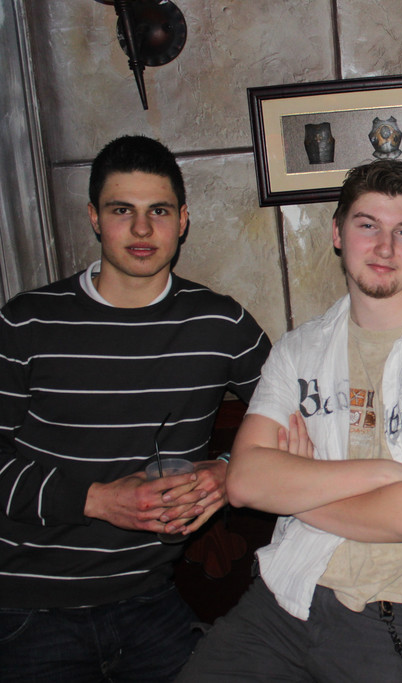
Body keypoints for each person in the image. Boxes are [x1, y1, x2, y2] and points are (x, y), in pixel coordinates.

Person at [179, 159, 402, 682]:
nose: (384, 247)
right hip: (287, 593)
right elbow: (243, 482)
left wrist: (297, 491)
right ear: (337, 233)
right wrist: (383, 473)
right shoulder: (297, 350)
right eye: (367, 225)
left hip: (401, 611)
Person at [0, 135, 271, 681]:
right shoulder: (28, 321)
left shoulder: (219, 324)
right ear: (95, 219)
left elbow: (301, 417)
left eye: (159, 211)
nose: (142, 230)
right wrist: (98, 500)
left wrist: (228, 473)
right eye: (122, 210)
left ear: (183, 220)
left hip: (152, 603)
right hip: (26, 609)